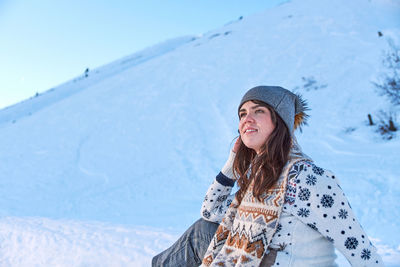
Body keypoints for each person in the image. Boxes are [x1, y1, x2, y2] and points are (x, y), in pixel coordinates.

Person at [152, 86, 383, 267]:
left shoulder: (306, 178)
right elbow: (210, 212)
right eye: (242, 114)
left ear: (280, 121)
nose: (246, 119)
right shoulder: (262, 178)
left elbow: (360, 249)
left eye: (258, 111)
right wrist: (231, 166)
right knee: (203, 229)